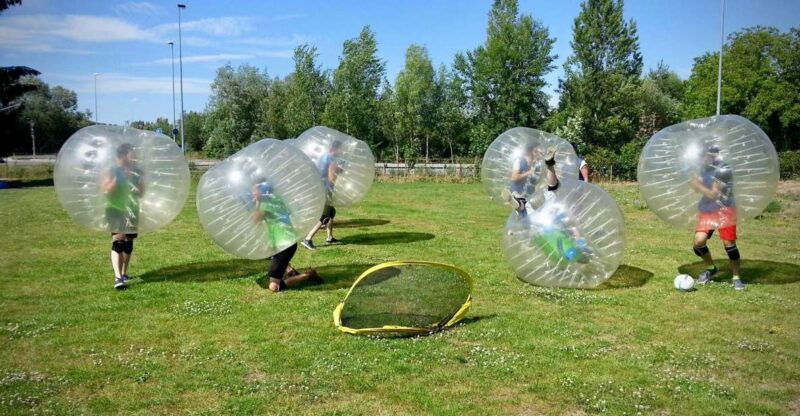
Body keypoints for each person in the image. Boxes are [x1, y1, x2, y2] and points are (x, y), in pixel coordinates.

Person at [248, 179, 321, 292]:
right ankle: (289, 270)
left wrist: (256, 204)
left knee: (274, 287)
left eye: (254, 190)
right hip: (287, 241)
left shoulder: (264, 203)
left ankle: (308, 275)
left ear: (263, 190)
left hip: (284, 245)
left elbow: (255, 220)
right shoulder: (278, 198)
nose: (252, 193)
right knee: (272, 254)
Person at [688, 144, 743, 290]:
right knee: (698, 243)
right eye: (701, 156)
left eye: (704, 155)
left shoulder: (723, 169)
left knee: (729, 245)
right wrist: (694, 182)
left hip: (725, 210)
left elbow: (713, 193)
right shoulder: (704, 169)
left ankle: (736, 277)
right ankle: (711, 267)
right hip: (707, 209)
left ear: (712, 155)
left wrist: (696, 184)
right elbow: (695, 189)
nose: (701, 159)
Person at [100, 143, 142, 290]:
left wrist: (138, 187)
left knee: (128, 243)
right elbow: (106, 191)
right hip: (115, 209)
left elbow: (141, 193)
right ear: (123, 155)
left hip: (132, 210)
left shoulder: (137, 171)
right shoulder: (111, 170)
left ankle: (124, 273)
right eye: (132, 154)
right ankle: (118, 278)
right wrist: (119, 179)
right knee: (119, 241)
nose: (135, 157)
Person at [301, 140, 344, 250]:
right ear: (335, 149)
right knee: (325, 215)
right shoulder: (331, 159)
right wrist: (335, 179)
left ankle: (329, 237)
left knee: (331, 212)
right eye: (340, 149)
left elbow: (324, 171)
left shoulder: (325, 157)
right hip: (326, 189)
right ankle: (308, 238)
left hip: (320, 188)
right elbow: (331, 175)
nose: (342, 151)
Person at [501, 142, 542, 215]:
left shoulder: (536, 164)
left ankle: (518, 204)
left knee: (528, 216)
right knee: (523, 211)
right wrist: (528, 173)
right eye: (537, 150)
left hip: (529, 195)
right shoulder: (520, 161)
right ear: (531, 150)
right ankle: (515, 202)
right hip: (518, 193)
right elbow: (514, 178)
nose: (539, 152)